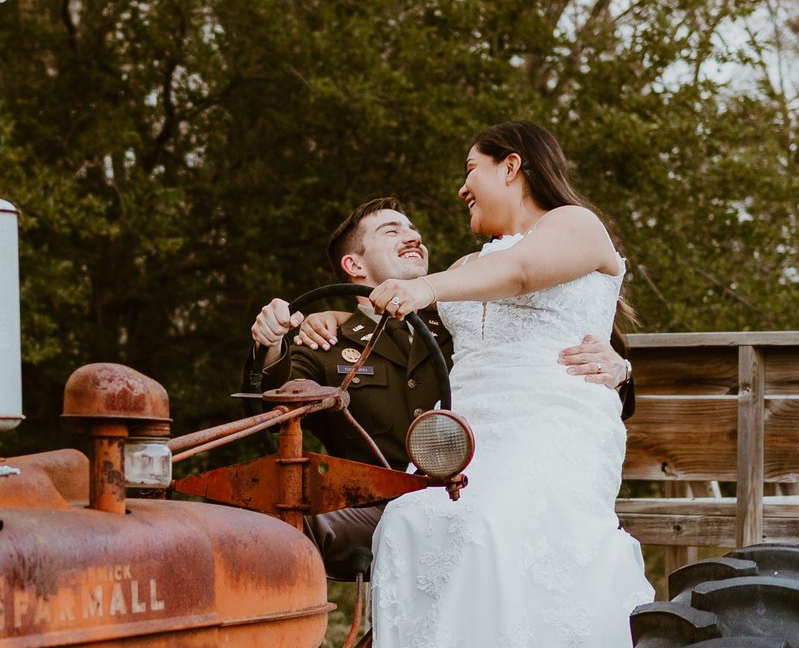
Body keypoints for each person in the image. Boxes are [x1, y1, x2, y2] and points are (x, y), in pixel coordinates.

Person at [359, 122, 653, 648]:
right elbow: (391, 316)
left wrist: (430, 289)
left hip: (556, 423)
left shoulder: (576, 227)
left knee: (494, 520)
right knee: (408, 521)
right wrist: (296, 324)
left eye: (472, 168)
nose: (462, 186)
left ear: (512, 165)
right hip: (477, 438)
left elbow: (521, 273)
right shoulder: (465, 268)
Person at [248, 199, 626, 574]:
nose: (413, 237)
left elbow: (541, 362)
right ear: (354, 265)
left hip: (470, 492)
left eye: (413, 229)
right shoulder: (328, 342)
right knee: (277, 527)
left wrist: (620, 369)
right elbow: (276, 406)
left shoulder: (463, 320)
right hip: (375, 507)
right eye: (391, 231)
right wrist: (270, 345)